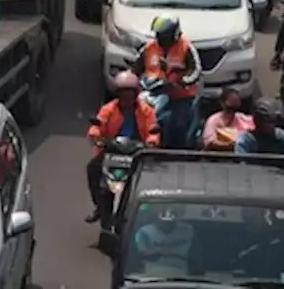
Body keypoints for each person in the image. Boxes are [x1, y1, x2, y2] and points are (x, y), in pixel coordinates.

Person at [86, 71, 161, 222]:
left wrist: (151, 142)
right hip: (112, 150)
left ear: (135, 93)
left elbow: (153, 130)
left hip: (138, 152)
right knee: (93, 169)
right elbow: (98, 126)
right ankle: (100, 206)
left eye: (129, 93)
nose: (126, 97)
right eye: (123, 93)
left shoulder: (146, 111)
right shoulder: (108, 109)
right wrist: (96, 136)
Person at [132, 15, 201, 149]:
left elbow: (196, 69)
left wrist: (184, 81)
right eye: (158, 34)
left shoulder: (186, 47)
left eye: (164, 35)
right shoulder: (149, 47)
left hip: (180, 96)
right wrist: (132, 80)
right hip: (153, 91)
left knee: (179, 128)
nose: (160, 38)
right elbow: (136, 67)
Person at [133, 205, 195, 275]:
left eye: (170, 223)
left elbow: (195, 253)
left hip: (181, 271)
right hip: (151, 270)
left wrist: (158, 250)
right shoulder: (144, 232)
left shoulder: (187, 230)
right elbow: (143, 252)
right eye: (164, 222)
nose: (167, 225)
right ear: (157, 220)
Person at [200, 86, 254, 151]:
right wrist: (230, 145)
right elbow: (209, 143)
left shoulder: (242, 118)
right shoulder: (213, 120)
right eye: (229, 108)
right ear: (222, 103)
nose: (231, 113)